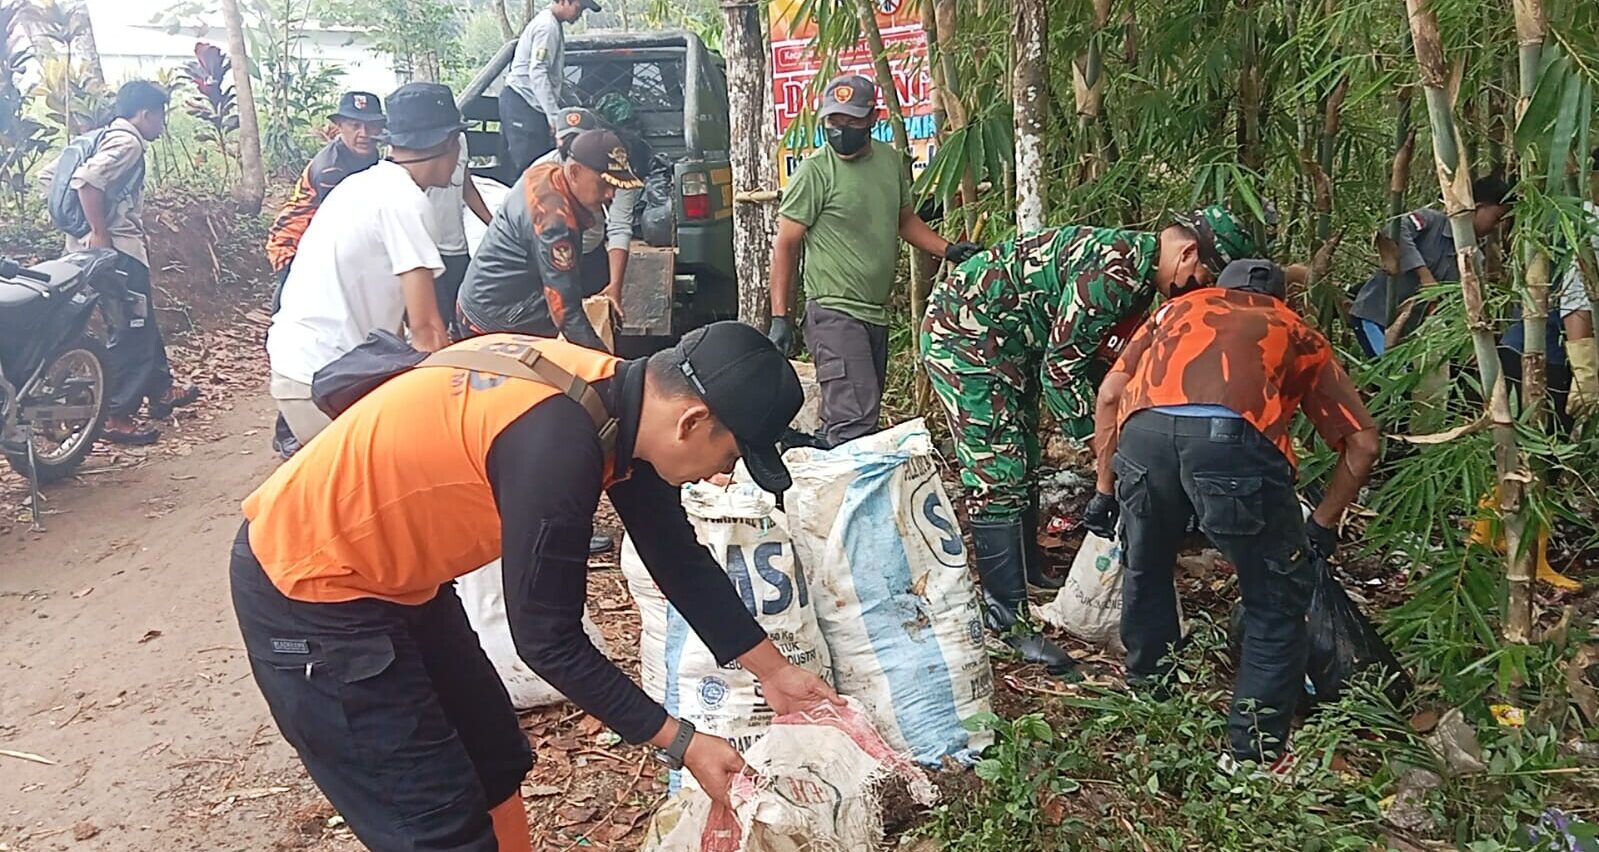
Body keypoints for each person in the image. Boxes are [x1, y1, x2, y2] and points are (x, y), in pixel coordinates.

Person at [230, 322, 841, 851]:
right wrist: (683, 742)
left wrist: (773, 671)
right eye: (732, 454)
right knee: (433, 823)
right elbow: (548, 642)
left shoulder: (615, 402)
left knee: (495, 761)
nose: (725, 472)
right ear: (693, 420)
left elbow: (674, 556)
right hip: (310, 593)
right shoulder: (556, 444)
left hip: (396, 581)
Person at [919, 206, 1258, 675]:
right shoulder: (1115, 274)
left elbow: (1098, 364)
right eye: (1205, 276)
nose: (1200, 288)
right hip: (965, 334)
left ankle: (1028, 568)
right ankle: (1007, 617)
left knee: (1024, 455)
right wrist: (1101, 449)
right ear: (1188, 253)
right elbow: (1062, 372)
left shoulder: (1138, 279)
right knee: (998, 465)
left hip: (1011, 343)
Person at [1085, 259, 1380, 772]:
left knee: (1147, 567)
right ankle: (1252, 753)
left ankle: (1149, 699)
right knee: (1274, 598)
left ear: (1218, 289)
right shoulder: (1296, 330)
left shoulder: (1173, 312)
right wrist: (1322, 525)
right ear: (1281, 298)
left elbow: (1110, 394)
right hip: (1234, 448)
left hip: (1143, 439)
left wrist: (1105, 489)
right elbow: (1363, 443)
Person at [768, 74, 980, 448]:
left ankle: (803, 460)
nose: (841, 130)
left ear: (872, 118)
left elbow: (904, 220)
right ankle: (830, 490)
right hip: (835, 311)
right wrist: (781, 317)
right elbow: (786, 244)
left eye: (851, 121)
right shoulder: (815, 171)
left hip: (874, 313)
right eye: (834, 122)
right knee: (854, 420)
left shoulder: (889, 162)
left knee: (854, 416)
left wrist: (947, 249)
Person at [265, 82, 460, 445]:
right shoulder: (406, 203)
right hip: (325, 380)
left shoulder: (365, 183)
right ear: (451, 143)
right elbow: (427, 331)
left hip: (303, 364)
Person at [40, 80, 198, 445]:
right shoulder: (127, 143)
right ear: (146, 114)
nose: (162, 125)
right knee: (131, 327)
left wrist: (77, 227)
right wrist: (99, 230)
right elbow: (86, 182)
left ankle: (161, 390)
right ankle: (117, 415)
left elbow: (51, 176)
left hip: (89, 247)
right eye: (161, 117)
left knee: (143, 319)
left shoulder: (98, 137)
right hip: (117, 249)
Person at [263, 91, 386, 457]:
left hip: (326, 252)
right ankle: (289, 429)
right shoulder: (332, 169)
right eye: (354, 125)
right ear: (339, 127)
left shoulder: (372, 158)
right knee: (305, 337)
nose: (363, 132)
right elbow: (344, 223)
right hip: (296, 250)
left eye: (371, 125)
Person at [456, 128, 642, 350]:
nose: (611, 194)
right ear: (574, 172)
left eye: (615, 186)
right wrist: (606, 365)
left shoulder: (547, 171)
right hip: (497, 320)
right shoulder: (555, 224)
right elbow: (565, 311)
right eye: (604, 184)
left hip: (479, 301)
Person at [1349, 175, 1515, 357]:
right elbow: (1394, 231)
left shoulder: (1475, 258)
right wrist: (1424, 275)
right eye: (1497, 217)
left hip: (1409, 335)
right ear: (1478, 207)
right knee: (1388, 374)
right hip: (1375, 315)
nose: (1497, 226)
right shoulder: (1430, 221)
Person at [532, 107, 635, 311]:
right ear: (555, 138)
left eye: (578, 139)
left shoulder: (615, 169)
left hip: (590, 252)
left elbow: (619, 227)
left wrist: (615, 285)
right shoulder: (539, 173)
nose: (571, 147)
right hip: (547, 259)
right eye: (566, 139)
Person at [501, 0, 600, 173]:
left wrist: (575, 106)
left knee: (542, 163)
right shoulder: (546, 27)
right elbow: (538, 73)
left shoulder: (553, 25)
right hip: (523, 101)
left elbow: (555, 77)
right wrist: (554, 117)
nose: (579, 14)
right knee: (530, 167)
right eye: (578, 8)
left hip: (533, 104)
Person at [426, 118, 494, 339]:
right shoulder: (419, 150)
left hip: (456, 244)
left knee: (465, 314)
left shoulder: (461, 141)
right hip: (429, 248)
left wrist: (493, 225)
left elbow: (466, 186)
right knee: (438, 322)